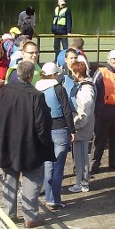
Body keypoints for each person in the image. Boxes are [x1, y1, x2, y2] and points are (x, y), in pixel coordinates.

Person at [0, 60, 55, 228]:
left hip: (6, 143)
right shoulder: (36, 96)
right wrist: (46, 146)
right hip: (29, 145)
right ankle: (30, 216)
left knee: (9, 177)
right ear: (31, 76)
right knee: (31, 179)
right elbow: (42, 125)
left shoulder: (3, 91)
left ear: (17, 73)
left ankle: (9, 212)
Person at [36, 62, 75, 210]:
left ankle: (48, 197)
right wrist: (72, 130)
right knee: (58, 166)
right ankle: (55, 199)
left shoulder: (37, 88)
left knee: (48, 165)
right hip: (60, 129)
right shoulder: (59, 88)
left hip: (44, 130)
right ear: (53, 74)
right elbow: (66, 110)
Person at [91, 49, 115, 173]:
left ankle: (114, 162)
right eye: (114, 59)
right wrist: (96, 109)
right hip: (103, 112)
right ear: (109, 60)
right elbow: (93, 91)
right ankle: (95, 162)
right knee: (100, 139)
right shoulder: (101, 72)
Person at [68, 60, 96, 193]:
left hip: (82, 126)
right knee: (80, 155)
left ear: (77, 73)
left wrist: (77, 125)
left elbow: (85, 110)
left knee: (82, 156)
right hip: (82, 125)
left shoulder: (86, 88)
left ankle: (83, 182)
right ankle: (82, 181)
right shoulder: (84, 85)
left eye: (73, 72)